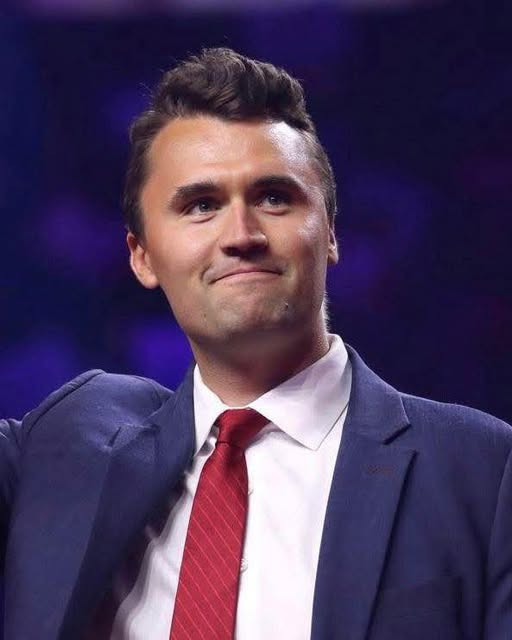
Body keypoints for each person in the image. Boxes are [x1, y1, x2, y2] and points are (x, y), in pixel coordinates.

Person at [1, 47, 511, 640]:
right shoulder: (65, 444)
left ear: (330, 233)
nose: (241, 235)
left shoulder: (483, 470)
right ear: (142, 256)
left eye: (274, 198)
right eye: (201, 206)